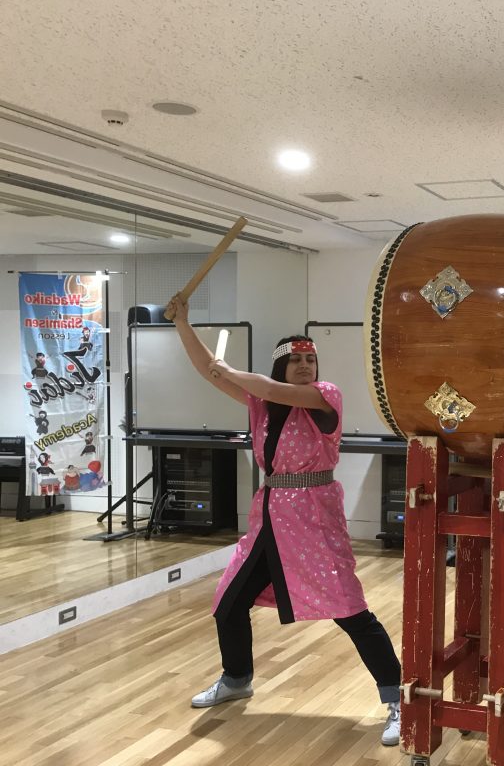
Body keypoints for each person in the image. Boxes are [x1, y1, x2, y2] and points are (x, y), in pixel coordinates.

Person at [168, 294, 402, 746]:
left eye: (310, 359)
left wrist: (229, 369)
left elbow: (266, 387)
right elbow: (209, 371)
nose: (305, 366)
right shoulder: (262, 404)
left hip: (314, 516)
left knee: (350, 610)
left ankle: (397, 697)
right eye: (295, 360)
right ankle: (237, 678)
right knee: (229, 601)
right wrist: (183, 323)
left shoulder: (324, 396)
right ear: (281, 365)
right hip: (271, 514)